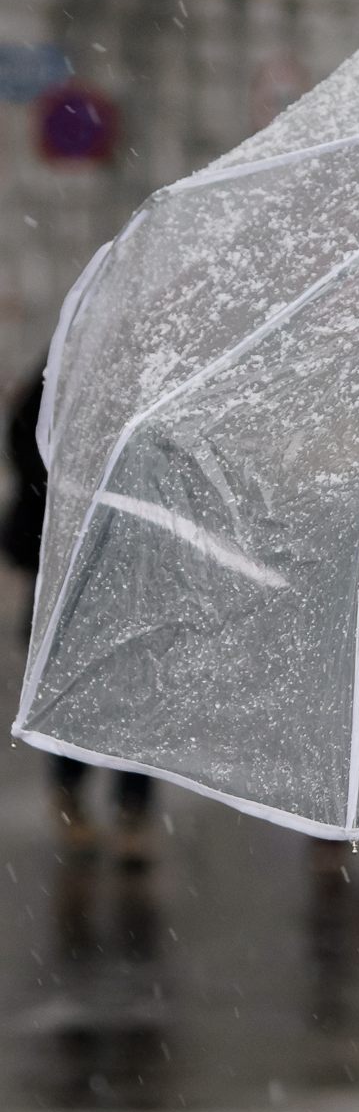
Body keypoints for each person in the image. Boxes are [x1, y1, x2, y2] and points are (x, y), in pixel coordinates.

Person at [4, 368, 154, 864]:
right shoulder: (58, 375)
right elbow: (27, 455)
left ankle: (129, 813)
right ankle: (74, 798)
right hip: (73, 565)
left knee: (135, 697)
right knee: (78, 696)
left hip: (131, 570)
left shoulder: (142, 381)